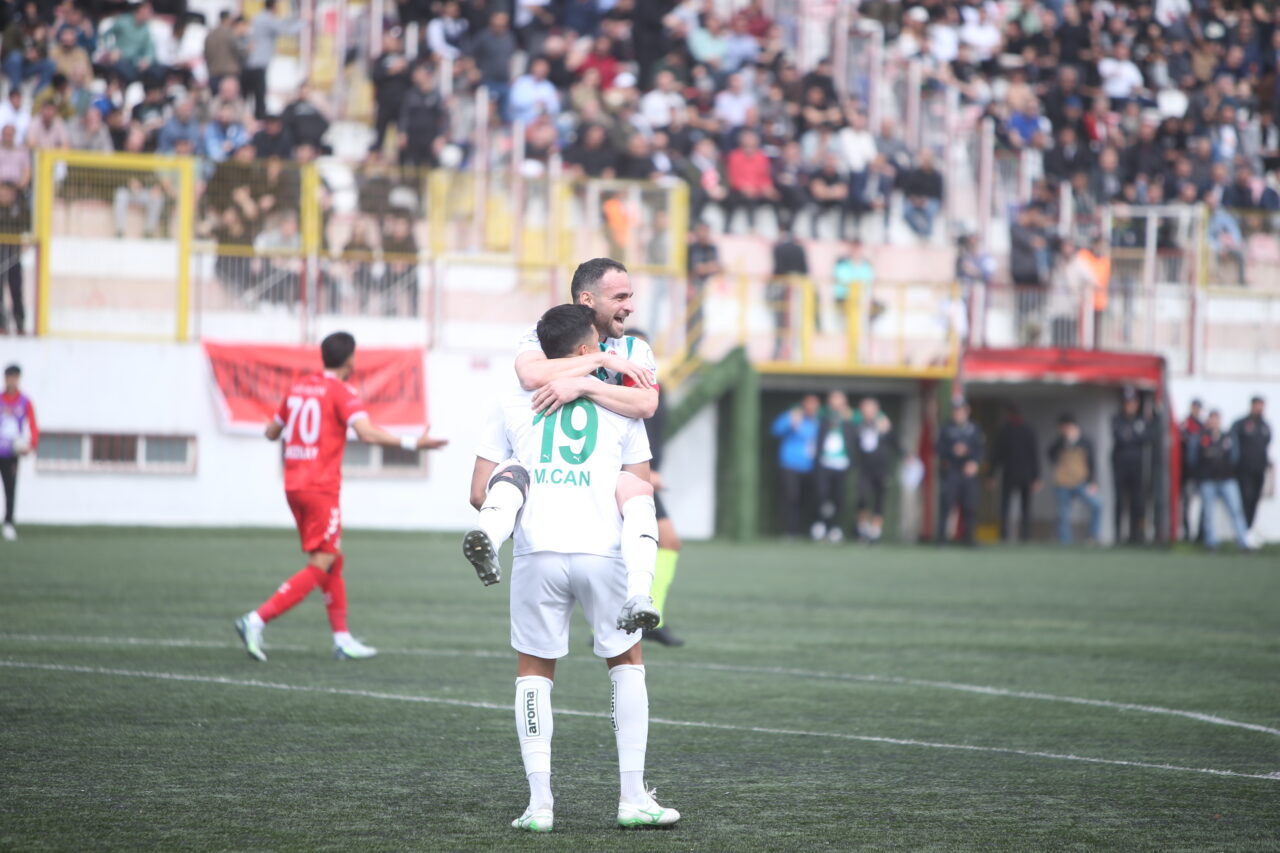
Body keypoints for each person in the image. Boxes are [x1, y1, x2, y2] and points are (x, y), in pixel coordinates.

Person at [466, 304, 679, 831]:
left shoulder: (511, 399)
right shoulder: (621, 405)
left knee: (534, 671)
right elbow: (638, 481)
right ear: (587, 349)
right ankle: (633, 797)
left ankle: (539, 806)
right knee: (626, 663)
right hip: (602, 551)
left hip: (536, 550)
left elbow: (476, 491)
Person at [235, 332, 447, 662]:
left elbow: (272, 432)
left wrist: (270, 427)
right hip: (320, 488)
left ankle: (342, 639)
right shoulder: (341, 391)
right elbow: (366, 433)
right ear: (350, 359)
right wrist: (413, 444)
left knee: (332, 559)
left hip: (294, 486)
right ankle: (256, 620)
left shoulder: (298, 388)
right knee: (322, 563)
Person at [625, 328, 684, 647]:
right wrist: (645, 474)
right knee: (660, 541)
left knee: (666, 542)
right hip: (628, 479)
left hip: (644, 477)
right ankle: (634, 619)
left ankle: (650, 617)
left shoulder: (654, 388)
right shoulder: (615, 387)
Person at [1189, 410, 1255, 552]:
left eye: (1217, 419)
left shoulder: (1227, 437)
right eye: (1212, 419)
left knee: (1236, 510)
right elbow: (1193, 459)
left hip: (1227, 479)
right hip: (1208, 481)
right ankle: (1211, 543)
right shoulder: (1202, 438)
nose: (1214, 422)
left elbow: (1235, 457)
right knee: (1208, 513)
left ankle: (1244, 542)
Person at [989, 403, 1040, 542]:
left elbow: (997, 454)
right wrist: (1036, 476)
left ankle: (1007, 534)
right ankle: (1023, 535)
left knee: (1009, 505)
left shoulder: (1007, 431)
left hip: (1012, 473)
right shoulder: (1024, 430)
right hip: (1022, 474)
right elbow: (1034, 455)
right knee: (1023, 506)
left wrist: (992, 474)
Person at [1047, 413, 1101, 545]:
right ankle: (1065, 541)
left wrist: (1092, 482)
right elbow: (1051, 455)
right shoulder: (1059, 442)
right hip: (1063, 483)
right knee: (1062, 513)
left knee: (1097, 504)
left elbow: (1091, 462)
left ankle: (1093, 536)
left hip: (1081, 482)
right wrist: (1065, 442)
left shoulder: (1085, 441)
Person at [771, 393, 819, 539]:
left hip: (810, 467)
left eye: (814, 404)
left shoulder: (817, 422)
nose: (811, 407)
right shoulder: (791, 416)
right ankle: (790, 531)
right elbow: (775, 430)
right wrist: (791, 422)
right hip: (790, 465)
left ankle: (804, 531)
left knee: (807, 500)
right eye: (809, 404)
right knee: (791, 498)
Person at [937, 397, 983, 545]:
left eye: (960, 411)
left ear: (967, 411)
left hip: (968, 472)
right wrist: (952, 451)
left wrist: (973, 460)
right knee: (947, 504)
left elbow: (980, 449)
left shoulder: (974, 429)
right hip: (952, 471)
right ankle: (942, 538)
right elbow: (939, 448)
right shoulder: (946, 428)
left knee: (970, 505)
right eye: (955, 411)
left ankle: (969, 538)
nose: (958, 414)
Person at [852, 397, 899, 544]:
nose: (868, 411)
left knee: (880, 500)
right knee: (863, 499)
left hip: (881, 469)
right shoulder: (858, 425)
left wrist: (886, 430)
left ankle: (875, 531)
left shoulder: (884, 425)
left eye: (871, 408)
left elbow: (895, 443)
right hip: (865, 468)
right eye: (865, 408)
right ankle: (862, 529)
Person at [0, 364, 37, 541]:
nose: (12, 381)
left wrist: (31, 445)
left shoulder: (25, 401)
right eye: (9, 377)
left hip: (11, 454)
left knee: (10, 489)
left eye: (15, 377)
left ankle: (8, 523)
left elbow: (33, 425)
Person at [1111, 386, 1151, 545]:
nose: (1130, 406)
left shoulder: (1141, 420)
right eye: (1127, 403)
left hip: (1137, 467)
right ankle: (1117, 535)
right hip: (1120, 466)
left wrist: (1131, 436)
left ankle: (1136, 535)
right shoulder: (1117, 419)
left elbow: (1146, 438)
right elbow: (1120, 438)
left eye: (1133, 402)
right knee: (1120, 501)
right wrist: (1133, 436)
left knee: (1137, 502)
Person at [813, 390, 855, 542]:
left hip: (841, 464)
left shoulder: (850, 418)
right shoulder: (822, 416)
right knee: (822, 495)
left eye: (839, 400)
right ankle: (821, 524)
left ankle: (835, 527)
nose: (836, 403)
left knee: (839, 497)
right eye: (834, 399)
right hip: (824, 463)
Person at [1230, 396, 1271, 531]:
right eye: (1258, 405)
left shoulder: (1265, 426)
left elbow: (1267, 443)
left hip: (1259, 469)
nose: (1260, 408)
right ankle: (1242, 530)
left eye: (1262, 405)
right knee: (1245, 499)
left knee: (1255, 500)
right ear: (1252, 406)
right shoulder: (1241, 424)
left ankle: (1249, 529)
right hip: (1244, 470)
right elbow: (1233, 444)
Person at [768, 229, 808, 360]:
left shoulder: (778, 248)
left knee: (779, 321)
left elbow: (777, 269)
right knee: (796, 320)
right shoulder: (800, 249)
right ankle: (796, 353)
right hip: (797, 287)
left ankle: (778, 351)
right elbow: (805, 270)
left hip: (782, 286)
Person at [685, 222, 720, 359]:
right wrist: (709, 267)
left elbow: (717, 267)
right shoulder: (692, 249)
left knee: (701, 320)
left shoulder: (712, 248)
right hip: (695, 286)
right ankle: (691, 350)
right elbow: (696, 269)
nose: (703, 234)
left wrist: (704, 268)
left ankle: (697, 349)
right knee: (692, 318)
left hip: (707, 288)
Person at [0, 181, 28, 335]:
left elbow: (26, 227)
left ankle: (20, 323)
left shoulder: (19, 209)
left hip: (13, 255)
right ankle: (2, 324)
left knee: (16, 288)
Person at [1179, 399, 1204, 542]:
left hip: (1200, 473)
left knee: (1202, 505)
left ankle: (1200, 534)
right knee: (1186, 504)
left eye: (1198, 408)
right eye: (1194, 407)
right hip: (1188, 473)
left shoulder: (1202, 426)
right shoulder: (1185, 424)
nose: (1196, 410)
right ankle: (1187, 533)